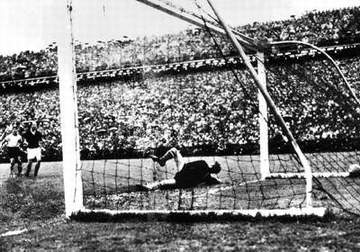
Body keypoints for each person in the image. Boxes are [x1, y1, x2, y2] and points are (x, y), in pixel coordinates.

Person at [144, 147, 222, 190]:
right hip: (183, 183)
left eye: (213, 164)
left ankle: (162, 161)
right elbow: (217, 181)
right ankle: (150, 187)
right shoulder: (208, 177)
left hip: (182, 172)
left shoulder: (203, 163)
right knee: (163, 183)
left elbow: (188, 165)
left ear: (212, 166)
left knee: (174, 150)